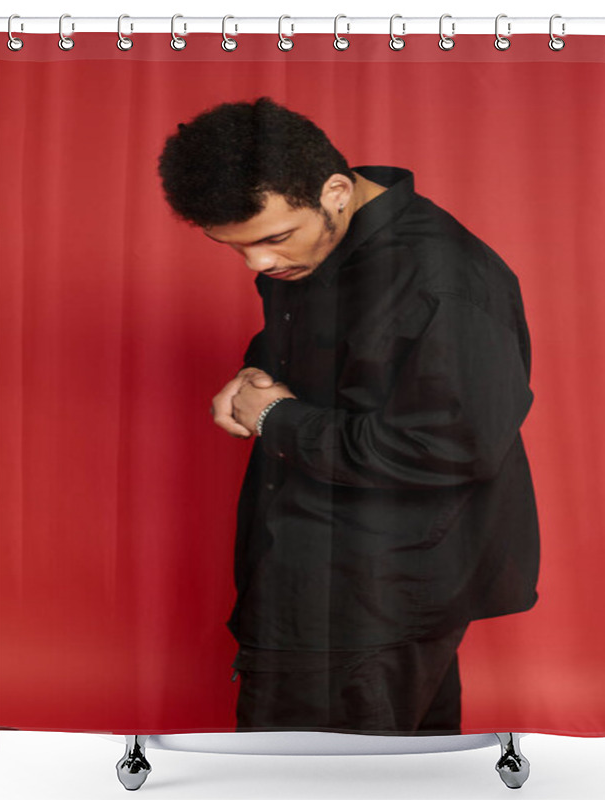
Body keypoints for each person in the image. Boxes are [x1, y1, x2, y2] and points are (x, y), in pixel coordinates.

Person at [157, 96, 540, 735]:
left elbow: (454, 446)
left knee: (317, 778)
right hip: (313, 571)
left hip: (372, 592)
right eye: (237, 249)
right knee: (383, 774)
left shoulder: (444, 280)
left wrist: (275, 418)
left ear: (336, 190)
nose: (260, 265)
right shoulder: (318, 249)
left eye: (274, 239)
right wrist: (253, 375)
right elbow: (328, 361)